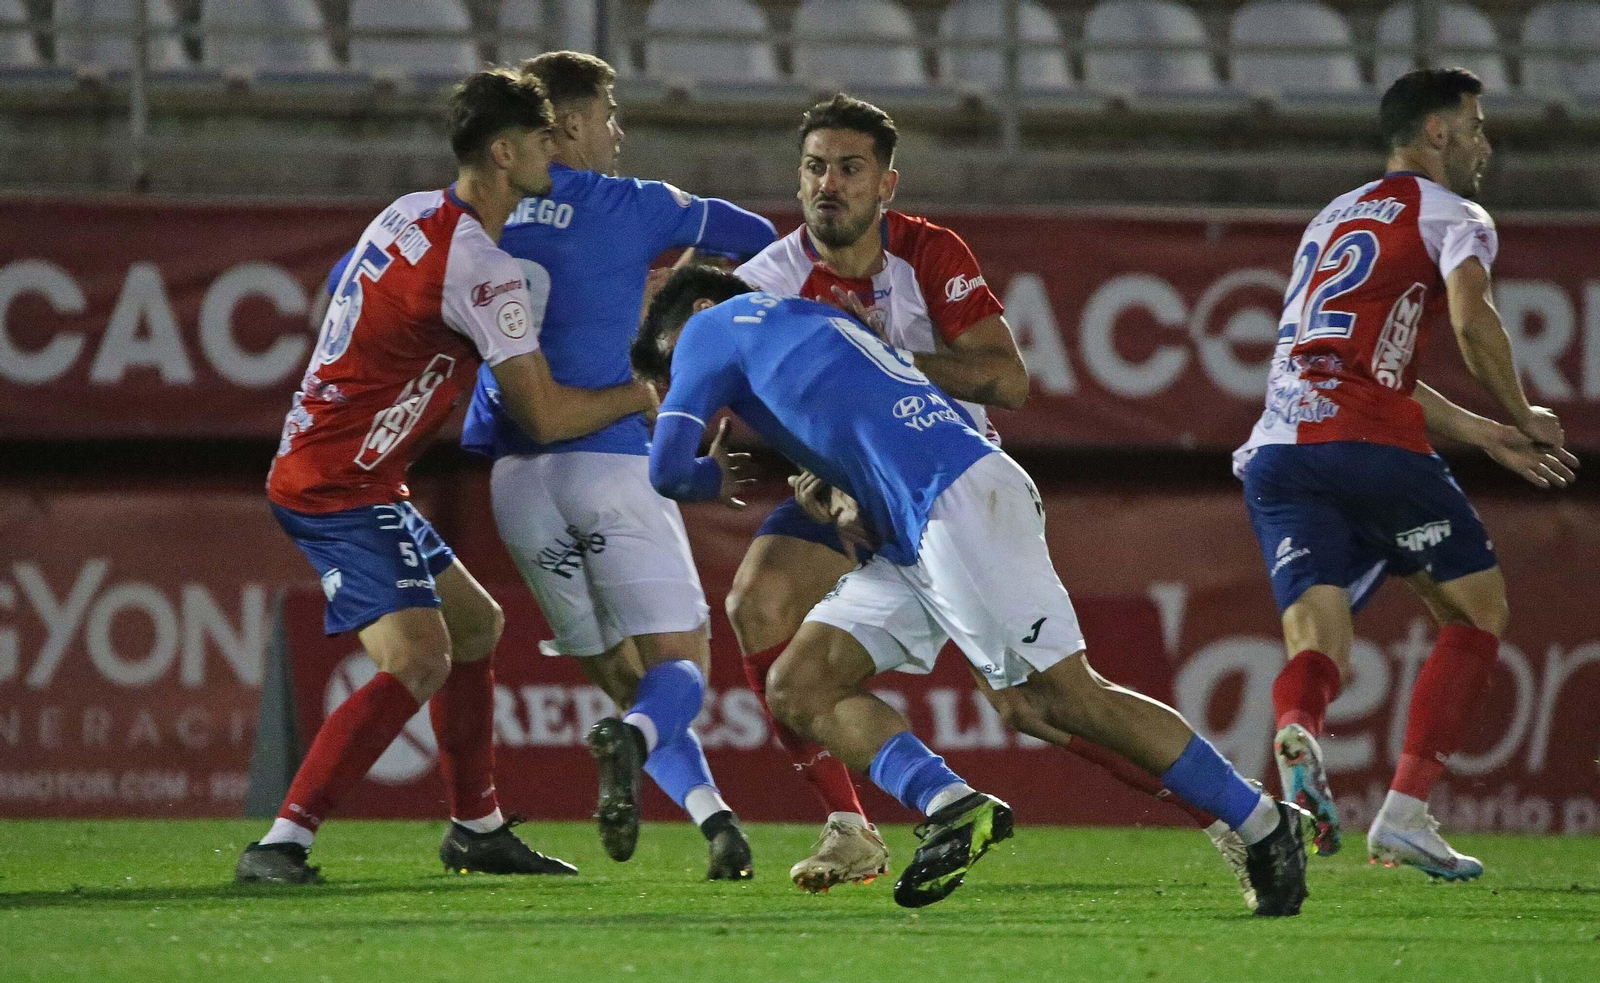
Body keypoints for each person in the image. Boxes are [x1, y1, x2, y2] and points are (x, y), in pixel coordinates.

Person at [633, 266, 1312, 916]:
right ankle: (954, 806)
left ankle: (1261, 821)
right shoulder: (810, 319)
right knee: (800, 683)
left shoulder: (709, 326)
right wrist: (839, 483)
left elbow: (667, 470)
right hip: (920, 520)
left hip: (951, 500)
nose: (677, 385)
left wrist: (711, 478)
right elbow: (868, 426)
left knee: (1067, 697)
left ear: (695, 313)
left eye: (669, 367)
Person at [732, 93, 1258, 902]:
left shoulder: (928, 253)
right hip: (863, 496)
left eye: (848, 168)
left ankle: (1240, 818)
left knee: (1043, 704)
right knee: (767, 622)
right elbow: (750, 391)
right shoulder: (769, 277)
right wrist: (815, 457)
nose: (827, 183)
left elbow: (1005, 379)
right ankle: (874, 818)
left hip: (949, 488)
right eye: (813, 168)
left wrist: (878, 360)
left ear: (886, 185)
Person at [236, 69, 657, 884]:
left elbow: (337, 304)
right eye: (541, 140)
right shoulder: (480, 268)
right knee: (419, 658)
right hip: (336, 485)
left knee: (476, 626)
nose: (555, 150)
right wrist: (645, 393)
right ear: (504, 152)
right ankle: (281, 842)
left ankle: (477, 826)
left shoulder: (408, 211)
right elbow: (544, 418)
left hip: (349, 465)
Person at [1234, 67, 1579, 880]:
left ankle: (1301, 734)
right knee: (1477, 606)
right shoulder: (1454, 213)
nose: (1485, 144)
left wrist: (1486, 432)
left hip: (1280, 451)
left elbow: (1363, 362)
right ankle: (1407, 810)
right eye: (1477, 126)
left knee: (1317, 638)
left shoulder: (1330, 217)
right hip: (1370, 444)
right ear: (1436, 133)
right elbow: (1472, 316)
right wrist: (1524, 410)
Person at [457, 51, 777, 880]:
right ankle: (636, 746)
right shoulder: (635, 205)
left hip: (516, 482)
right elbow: (762, 241)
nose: (618, 132)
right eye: (607, 114)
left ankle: (718, 826)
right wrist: (683, 290)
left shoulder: (481, 213)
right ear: (565, 124)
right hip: (606, 460)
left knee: (619, 677)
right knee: (678, 670)